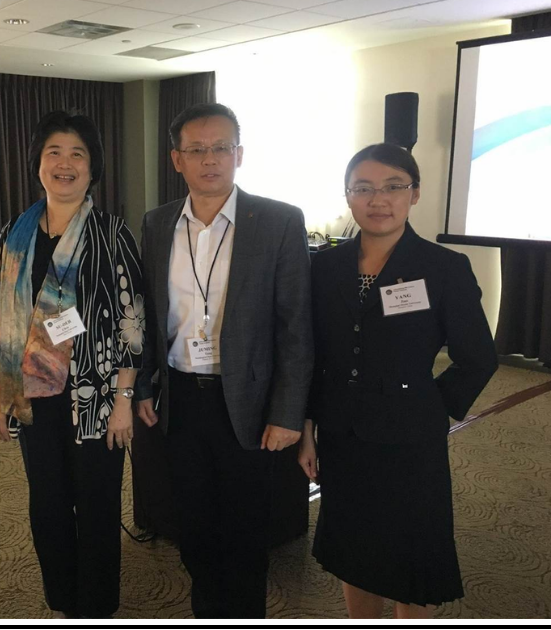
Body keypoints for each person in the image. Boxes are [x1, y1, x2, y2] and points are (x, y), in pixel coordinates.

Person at [297, 143, 498, 618]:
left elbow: (478, 358)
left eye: (393, 187)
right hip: (341, 433)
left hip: (410, 440)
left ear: (415, 193)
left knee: (412, 552)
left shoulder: (443, 267)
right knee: (352, 545)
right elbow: (315, 356)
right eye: (363, 188)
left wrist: (430, 405)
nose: (378, 199)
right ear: (348, 196)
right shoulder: (325, 267)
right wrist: (307, 428)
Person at [132, 102, 314, 618]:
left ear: (239, 154)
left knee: (245, 527)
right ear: (177, 159)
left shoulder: (278, 220)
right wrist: (142, 386)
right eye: (196, 150)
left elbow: (296, 326)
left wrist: (288, 413)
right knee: (191, 521)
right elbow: (146, 313)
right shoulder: (157, 223)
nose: (209, 159)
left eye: (220, 148)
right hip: (180, 397)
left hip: (250, 401)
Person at [0, 110, 146, 619]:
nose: (65, 163)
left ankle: (95, 608)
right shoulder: (14, 234)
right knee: (48, 505)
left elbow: (132, 324)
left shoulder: (111, 233)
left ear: (92, 168)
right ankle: (62, 601)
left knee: (97, 507)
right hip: (32, 398)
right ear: (38, 163)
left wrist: (124, 401)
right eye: (53, 152)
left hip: (95, 400)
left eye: (77, 153)